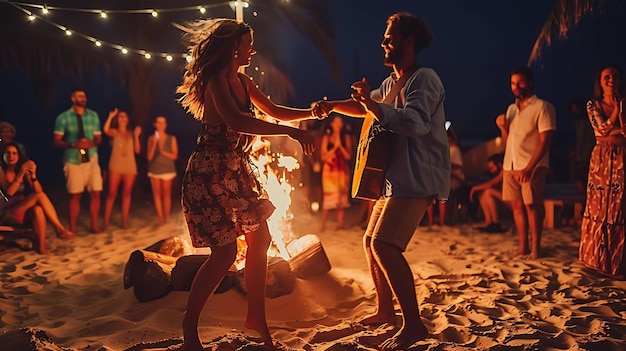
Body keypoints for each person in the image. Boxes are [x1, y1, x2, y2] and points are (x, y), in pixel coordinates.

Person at [175, 18, 318, 351]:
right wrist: (290, 133)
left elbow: (274, 111)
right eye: (248, 43)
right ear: (232, 46)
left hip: (237, 170)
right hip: (210, 172)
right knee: (224, 254)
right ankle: (189, 324)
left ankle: (256, 316)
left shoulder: (242, 80)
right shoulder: (215, 83)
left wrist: (310, 114)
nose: (253, 49)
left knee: (262, 237)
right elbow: (238, 120)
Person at [315, 12, 450, 350]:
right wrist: (332, 106)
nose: (384, 43)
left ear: (409, 41)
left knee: (384, 246)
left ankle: (414, 325)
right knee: (369, 241)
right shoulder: (391, 84)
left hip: (416, 177)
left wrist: (374, 105)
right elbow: (365, 107)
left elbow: (416, 123)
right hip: (394, 179)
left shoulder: (425, 78)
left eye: (390, 38)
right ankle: (385, 311)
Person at [495, 66, 556, 259]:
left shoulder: (543, 107)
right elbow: (507, 140)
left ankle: (536, 248)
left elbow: (546, 140)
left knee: (532, 205)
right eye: (513, 83)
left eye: (520, 82)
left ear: (530, 83)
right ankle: (523, 246)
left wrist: (530, 167)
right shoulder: (511, 109)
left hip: (532, 165)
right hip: (510, 164)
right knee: (516, 206)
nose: (516, 87)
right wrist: (502, 127)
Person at [579, 64, 626, 279]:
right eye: (607, 76)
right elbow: (600, 130)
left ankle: (616, 263)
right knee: (599, 207)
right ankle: (596, 261)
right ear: (600, 81)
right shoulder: (593, 104)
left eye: (615, 76)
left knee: (618, 208)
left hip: (622, 159)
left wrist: (616, 129)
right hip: (602, 159)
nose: (611, 80)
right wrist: (617, 112)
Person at [0, 142, 75, 253]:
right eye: (8, 153)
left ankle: (40, 247)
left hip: (20, 209)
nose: (11, 156)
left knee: (38, 209)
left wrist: (33, 175)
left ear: (19, 155)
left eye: (14, 153)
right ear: (3, 155)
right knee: (38, 198)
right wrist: (20, 174)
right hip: (6, 212)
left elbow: (39, 192)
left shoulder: (23, 171)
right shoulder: (1, 170)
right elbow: (8, 193)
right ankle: (59, 228)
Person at [53, 89, 103, 234]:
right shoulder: (63, 117)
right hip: (73, 159)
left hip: (92, 158)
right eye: (80, 96)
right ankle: (73, 228)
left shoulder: (93, 116)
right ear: (73, 98)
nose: (84, 98)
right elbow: (56, 141)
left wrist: (90, 143)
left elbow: (98, 138)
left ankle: (94, 225)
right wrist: (74, 144)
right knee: (75, 194)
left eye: (84, 95)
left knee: (96, 192)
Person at [103, 108, 142, 229]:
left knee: (127, 194)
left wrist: (136, 136)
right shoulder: (114, 132)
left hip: (130, 165)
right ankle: (105, 222)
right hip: (116, 165)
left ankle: (124, 221)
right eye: (120, 117)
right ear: (117, 119)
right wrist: (110, 116)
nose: (123, 119)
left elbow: (137, 150)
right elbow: (105, 130)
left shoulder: (131, 133)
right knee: (111, 193)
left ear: (127, 119)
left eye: (124, 117)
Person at [320, 114, 352, 231]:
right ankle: (323, 224)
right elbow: (323, 156)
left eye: (340, 122)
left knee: (341, 197)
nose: (339, 125)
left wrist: (340, 146)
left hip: (342, 171)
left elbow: (348, 156)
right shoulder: (327, 138)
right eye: (336, 122)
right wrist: (334, 148)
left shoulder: (346, 138)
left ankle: (340, 224)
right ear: (331, 124)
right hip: (329, 171)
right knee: (329, 197)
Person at [428, 125, 463, 227]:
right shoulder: (442, 149)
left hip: (453, 176)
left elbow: (459, 166)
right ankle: (432, 222)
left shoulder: (453, 149)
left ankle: (440, 222)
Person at [146, 115, 178, 226]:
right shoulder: (151, 138)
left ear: (165, 125)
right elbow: (149, 157)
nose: (160, 125)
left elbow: (174, 156)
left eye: (163, 122)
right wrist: (155, 144)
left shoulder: (171, 138)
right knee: (157, 194)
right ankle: (161, 219)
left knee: (166, 194)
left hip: (167, 170)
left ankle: (167, 217)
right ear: (155, 124)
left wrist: (162, 150)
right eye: (158, 122)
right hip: (155, 169)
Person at [469, 152, 509, 232]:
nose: (491, 171)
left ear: (499, 164)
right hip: (505, 198)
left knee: (488, 192)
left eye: (492, 167)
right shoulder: (498, 173)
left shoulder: (505, 171)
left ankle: (495, 223)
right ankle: (489, 222)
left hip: (512, 201)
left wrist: (474, 188)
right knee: (483, 192)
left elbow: (492, 183)